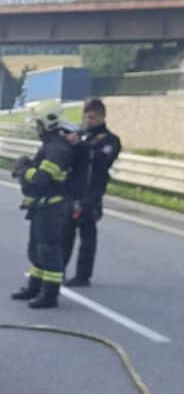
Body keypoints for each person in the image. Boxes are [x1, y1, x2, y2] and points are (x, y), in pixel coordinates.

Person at [10, 100, 74, 309]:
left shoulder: (57, 149)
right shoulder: (49, 145)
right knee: (37, 250)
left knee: (49, 251)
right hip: (43, 207)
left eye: (37, 124)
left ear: (47, 122)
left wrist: (23, 170)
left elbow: (41, 179)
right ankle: (34, 287)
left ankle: (50, 295)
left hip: (53, 207)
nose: (36, 128)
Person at [63, 98, 121, 287]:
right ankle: (58, 270)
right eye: (86, 117)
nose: (88, 121)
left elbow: (100, 160)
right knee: (65, 233)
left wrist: (79, 145)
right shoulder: (80, 135)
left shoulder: (110, 140)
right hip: (72, 191)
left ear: (102, 117)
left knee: (87, 237)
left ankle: (83, 275)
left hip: (92, 193)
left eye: (92, 117)